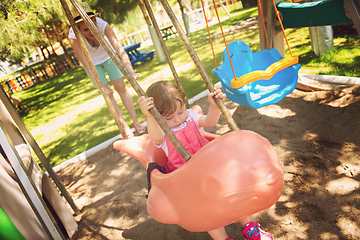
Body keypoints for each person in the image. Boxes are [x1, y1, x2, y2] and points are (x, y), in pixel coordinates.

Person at [137, 81, 274, 240]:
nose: (177, 119)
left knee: (237, 189)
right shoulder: (161, 131)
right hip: (187, 178)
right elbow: (154, 137)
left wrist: (214, 107)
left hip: (212, 166)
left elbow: (209, 122)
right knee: (206, 211)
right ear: (158, 117)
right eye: (168, 117)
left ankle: (249, 227)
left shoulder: (190, 116)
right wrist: (149, 116)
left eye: (180, 112)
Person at [68, 2, 145, 138]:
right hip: (92, 63)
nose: (91, 31)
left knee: (120, 87)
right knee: (108, 94)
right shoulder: (73, 36)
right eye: (85, 30)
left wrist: (130, 71)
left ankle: (136, 122)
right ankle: (125, 126)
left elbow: (119, 49)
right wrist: (98, 84)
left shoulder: (103, 25)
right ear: (79, 29)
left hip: (108, 55)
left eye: (92, 26)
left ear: (95, 20)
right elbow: (85, 63)